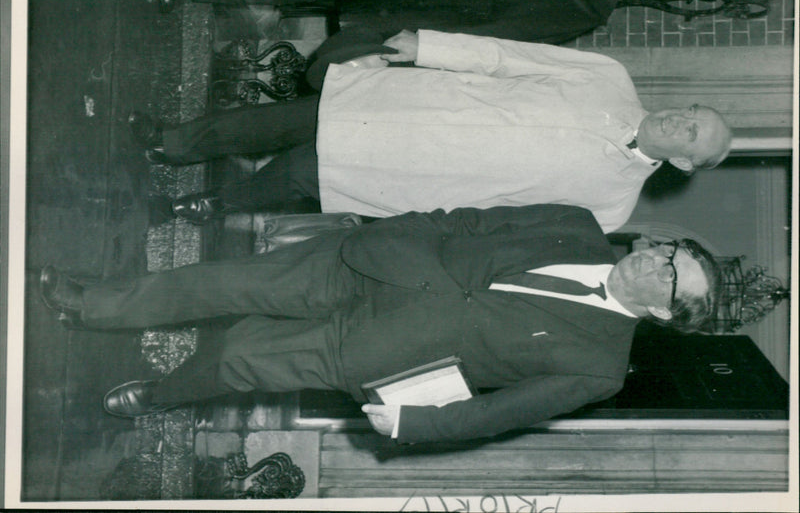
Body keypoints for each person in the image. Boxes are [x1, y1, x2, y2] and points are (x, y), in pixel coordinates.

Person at [40, 203, 721, 444]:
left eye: (671, 276)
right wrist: (398, 232)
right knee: (222, 282)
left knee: (239, 360)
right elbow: (470, 222)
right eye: (669, 252)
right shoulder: (576, 224)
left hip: (374, 348)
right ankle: (91, 302)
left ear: (666, 313)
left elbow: (498, 414)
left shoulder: (598, 369)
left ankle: (161, 395)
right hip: (367, 266)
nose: (656, 259)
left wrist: (414, 424)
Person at [130, 28, 732, 233]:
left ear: (683, 163)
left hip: (415, 171)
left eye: (691, 136)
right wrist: (428, 48)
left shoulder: (612, 207)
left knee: (293, 177)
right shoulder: (608, 76)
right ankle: (170, 143)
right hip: (413, 104)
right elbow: (509, 57)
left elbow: (504, 226)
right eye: (693, 114)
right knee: (277, 122)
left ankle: (204, 205)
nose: (681, 122)